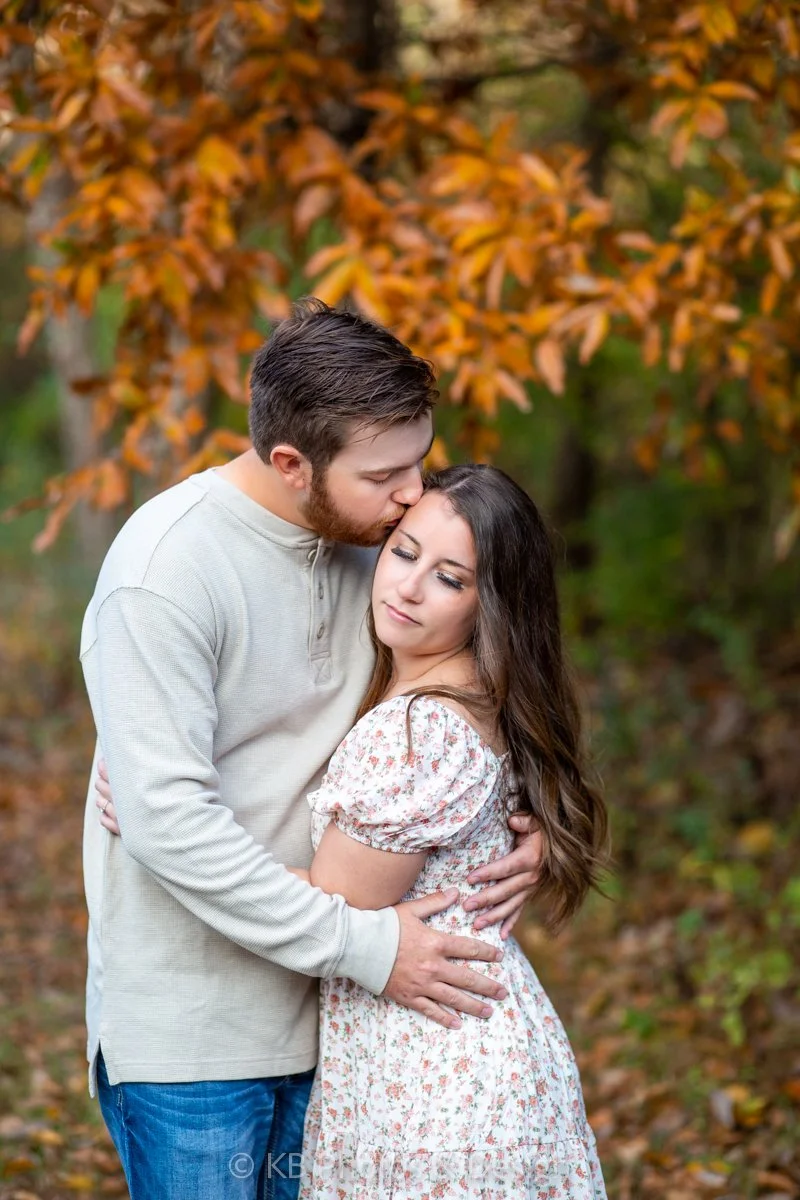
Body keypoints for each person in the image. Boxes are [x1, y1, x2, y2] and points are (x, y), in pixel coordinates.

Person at [82, 299, 542, 1200]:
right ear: (293, 465)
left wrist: (529, 825)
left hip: (354, 1032)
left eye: (419, 461)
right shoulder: (163, 573)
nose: (415, 493)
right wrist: (369, 945)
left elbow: (495, 687)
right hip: (200, 1041)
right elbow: (169, 823)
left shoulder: (382, 555)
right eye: (387, 474)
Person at [99, 464, 609, 1197]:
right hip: (482, 1052)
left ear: (489, 604)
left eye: (449, 579)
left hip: (431, 1079)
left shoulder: (412, 729)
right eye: (402, 553)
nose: (405, 586)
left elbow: (336, 903)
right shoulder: (477, 695)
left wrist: (166, 820)